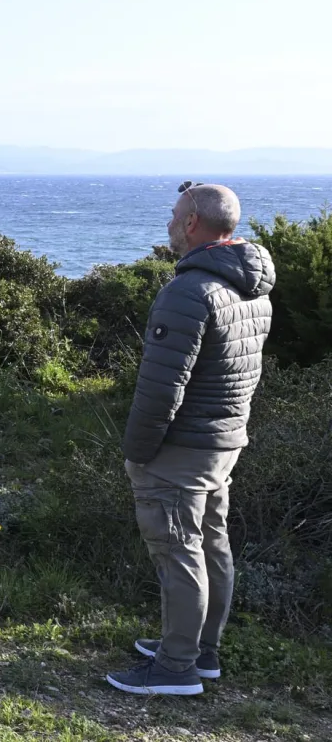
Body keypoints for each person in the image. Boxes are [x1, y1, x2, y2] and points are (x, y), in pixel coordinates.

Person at [106, 182, 275, 697]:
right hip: (223, 440)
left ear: (194, 224)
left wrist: (138, 452)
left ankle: (176, 668)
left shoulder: (189, 290)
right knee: (212, 546)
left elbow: (162, 389)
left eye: (174, 215)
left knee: (179, 552)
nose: (168, 223)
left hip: (181, 448)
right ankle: (201, 652)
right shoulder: (253, 287)